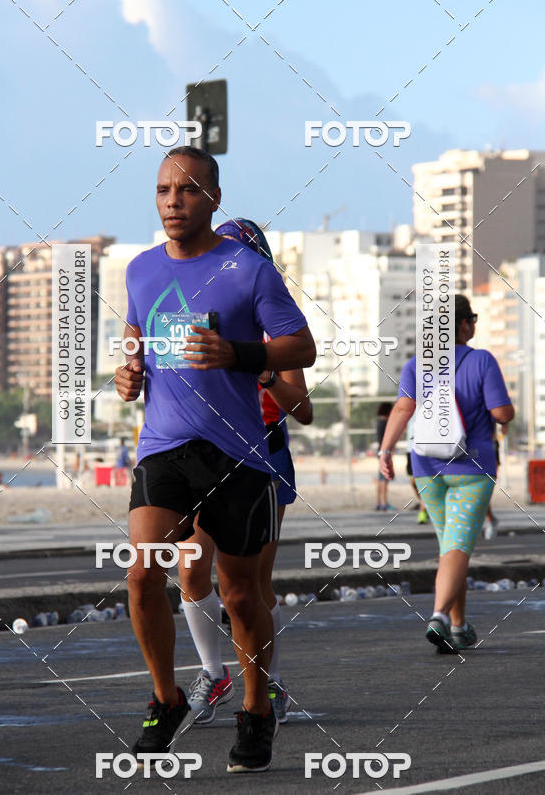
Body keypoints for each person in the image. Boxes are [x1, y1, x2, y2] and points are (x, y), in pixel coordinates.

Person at [114, 147, 316, 773]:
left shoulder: (248, 270)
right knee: (145, 575)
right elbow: (136, 335)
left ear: (213, 198)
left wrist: (236, 355)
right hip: (164, 445)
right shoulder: (140, 270)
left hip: (239, 454)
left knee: (240, 595)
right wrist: (128, 372)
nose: (174, 201)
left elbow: (302, 347)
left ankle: (255, 710)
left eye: (188, 190)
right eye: (163, 190)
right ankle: (166, 697)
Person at [177, 218, 312, 728]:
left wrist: (263, 370)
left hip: (262, 456)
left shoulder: (273, 322)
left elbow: (302, 410)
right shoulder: (197, 317)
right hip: (202, 455)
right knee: (190, 571)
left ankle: (268, 681)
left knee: (250, 588)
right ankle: (213, 673)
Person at [378, 294, 514, 653]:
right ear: (465, 324)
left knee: (452, 548)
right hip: (472, 467)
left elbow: (403, 407)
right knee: (457, 547)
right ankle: (438, 615)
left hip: (426, 468)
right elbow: (501, 413)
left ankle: (458, 627)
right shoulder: (481, 360)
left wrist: (385, 450)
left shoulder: (415, 365)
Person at [405, 415, 428, 524]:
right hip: (410, 449)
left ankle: (423, 510)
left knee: (423, 481)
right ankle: (424, 502)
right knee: (413, 482)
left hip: (425, 448)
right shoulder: (407, 401)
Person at [375, 402, 393, 511]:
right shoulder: (386, 423)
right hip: (385, 452)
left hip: (379, 451)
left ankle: (378, 502)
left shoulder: (378, 422)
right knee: (385, 478)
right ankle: (384, 503)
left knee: (380, 478)